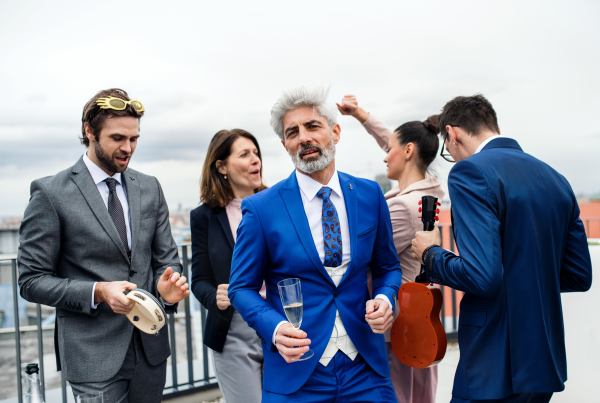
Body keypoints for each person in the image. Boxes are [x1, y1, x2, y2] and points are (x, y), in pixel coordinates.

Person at [411, 94, 592, 403]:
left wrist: (431, 254)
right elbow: (578, 276)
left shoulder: (470, 172)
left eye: (446, 149)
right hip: (542, 365)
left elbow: (482, 277)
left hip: (492, 364)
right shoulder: (556, 179)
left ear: (452, 134)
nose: (451, 157)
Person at [228, 85, 402, 402]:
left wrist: (387, 299)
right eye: (292, 132)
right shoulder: (261, 208)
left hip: (365, 370)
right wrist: (275, 329)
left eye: (312, 126)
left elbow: (388, 267)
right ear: (285, 145)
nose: (303, 137)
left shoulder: (370, 194)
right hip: (296, 375)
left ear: (334, 131)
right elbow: (240, 288)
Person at [17, 88, 190, 402]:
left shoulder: (150, 187)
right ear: (89, 132)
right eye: (117, 138)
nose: (128, 148)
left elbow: (168, 262)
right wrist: (98, 291)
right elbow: (31, 281)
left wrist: (167, 292)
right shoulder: (50, 193)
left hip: (150, 349)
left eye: (134, 139)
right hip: (92, 355)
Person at [337, 94, 443, 403]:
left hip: (393, 327)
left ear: (408, 151)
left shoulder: (402, 207)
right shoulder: (423, 193)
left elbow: (362, 257)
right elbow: (394, 142)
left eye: (390, 151)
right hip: (415, 321)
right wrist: (361, 115)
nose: (385, 157)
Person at [190, 129, 268, 403]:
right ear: (221, 166)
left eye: (256, 153)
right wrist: (215, 297)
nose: (255, 160)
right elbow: (198, 279)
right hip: (232, 331)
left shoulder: (279, 204)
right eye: (245, 154)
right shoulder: (203, 218)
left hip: (281, 324)